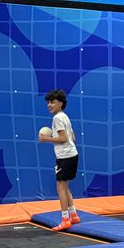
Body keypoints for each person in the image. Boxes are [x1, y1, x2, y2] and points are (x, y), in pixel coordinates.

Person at [39, 89, 80, 230]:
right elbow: (73, 137)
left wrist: (47, 139)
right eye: (48, 102)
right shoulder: (65, 117)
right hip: (72, 155)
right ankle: (74, 215)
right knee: (65, 186)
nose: (49, 105)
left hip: (65, 157)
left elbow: (63, 138)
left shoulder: (57, 118)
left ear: (60, 103)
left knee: (61, 187)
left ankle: (65, 219)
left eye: (52, 102)